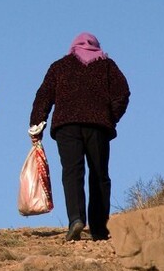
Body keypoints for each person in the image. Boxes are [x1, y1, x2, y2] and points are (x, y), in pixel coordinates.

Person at [30, 33, 130, 242]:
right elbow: (123, 93)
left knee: (72, 172)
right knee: (99, 175)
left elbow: (43, 96)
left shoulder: (60, 66)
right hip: (98, 127)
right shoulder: (107, 65)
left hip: (67, 126)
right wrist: (110, 117)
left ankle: (76, 218)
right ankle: (99, 228)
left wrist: (36, 124)